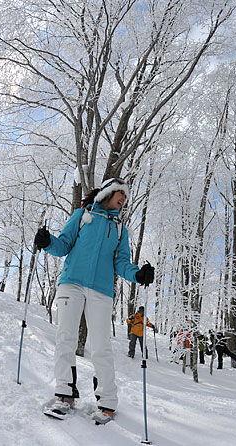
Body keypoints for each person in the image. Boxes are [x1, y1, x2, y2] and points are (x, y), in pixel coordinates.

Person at [35, 177, 155, 424]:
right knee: (65, 339)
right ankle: (65, 395)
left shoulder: (120, 230)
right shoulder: (82, 215)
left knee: (101, 347)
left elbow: (121, 263)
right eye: (120, 194)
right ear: (107, 193)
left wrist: (138, 274)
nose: (123, 199)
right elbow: (64, 245)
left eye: (125, 197)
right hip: (71, 283)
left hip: (101, 290)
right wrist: (48, 242)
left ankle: (107, 402)